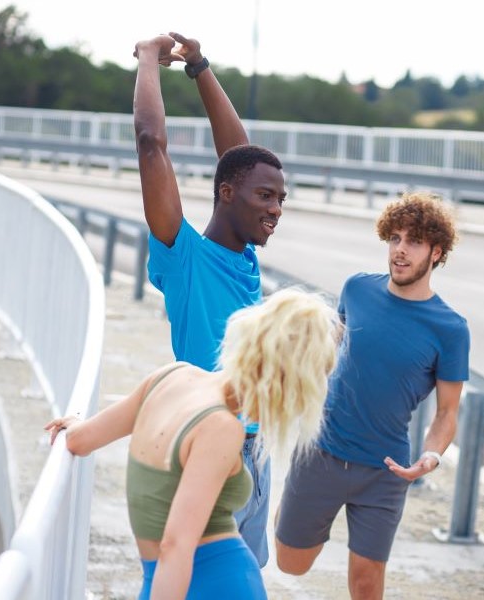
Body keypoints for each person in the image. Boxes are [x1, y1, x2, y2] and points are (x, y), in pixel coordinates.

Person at [45, 288, 341, 599]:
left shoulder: (171, 376)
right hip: (208, 584)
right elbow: (175, 544)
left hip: (164, 580)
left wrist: (74, 425)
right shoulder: (222, 427)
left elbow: (80, 440)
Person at [133, 32, 286, 567]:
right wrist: (149, 58)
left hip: (255, 446)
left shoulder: (244, 256)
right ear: (228, 195)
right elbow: (152, 142)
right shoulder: (184, 256)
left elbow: (238, 158)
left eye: (280, 199)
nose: (276, 210)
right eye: (265, 197)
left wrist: (199, 66)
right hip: (206, 443)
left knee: (244, 576)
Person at [275, 192, 471, 599]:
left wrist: (430, 457)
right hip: (322, 451)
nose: (400, 250)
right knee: (290, 563)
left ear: (436, 252)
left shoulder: (451, 329)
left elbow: (448, 413)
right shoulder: (357, 289)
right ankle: (293, 512)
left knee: (366, 583)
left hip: (386, 469)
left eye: (414, 242)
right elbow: (332, 353)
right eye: (395, 238)